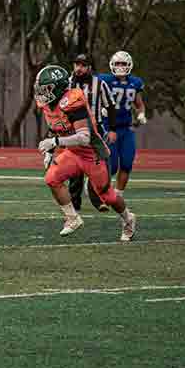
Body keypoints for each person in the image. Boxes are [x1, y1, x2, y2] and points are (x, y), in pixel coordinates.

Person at [34, 65, 137, 241]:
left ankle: (128, 218)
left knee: (108, 196)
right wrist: (50, 152)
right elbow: (55, 128)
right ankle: (72, 218)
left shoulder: (72, 101)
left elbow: (84, 137)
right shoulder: (47, 105)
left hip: (92, 154)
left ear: (58, 88)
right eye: (40, 88)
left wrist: (55, 143)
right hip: (73, 153)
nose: (42, 92)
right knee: (51, 178)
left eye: (47, 88)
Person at [68, 53, 117, 212]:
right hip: (74, 129)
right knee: (75, 167)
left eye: (82, 65)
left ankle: (100, 199)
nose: (78, 68)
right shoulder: (69, 83)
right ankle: (74, 203)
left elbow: (110, 106)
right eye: (76, 65)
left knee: (102, 163)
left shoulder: (99, 84)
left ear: (89, 67)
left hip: (95, 130)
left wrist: (112, 129)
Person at [99, 51, 147, 198]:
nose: (120, 67)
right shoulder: (104, 80)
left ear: (129, 65)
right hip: (108, 127)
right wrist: (100, 107)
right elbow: (92, 94)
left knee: (126, 163)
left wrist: (141, 114)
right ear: (112, 65)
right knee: (111, 166)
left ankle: (118, 195)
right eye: (117, 63)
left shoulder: (135, 82)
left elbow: (139, 104)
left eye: (123, 64)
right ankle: (95, 185)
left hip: (126, 128)